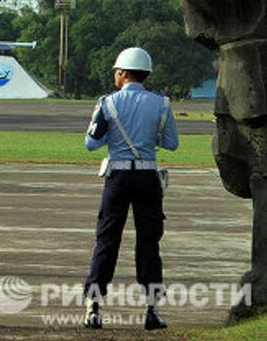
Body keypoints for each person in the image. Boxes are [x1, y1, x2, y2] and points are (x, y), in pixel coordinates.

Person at [82, 47, 178, 331]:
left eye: (116, 71)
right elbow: (171, 143)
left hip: (118, 178)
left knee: (107, 241)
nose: (115, 75)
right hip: (148, 178)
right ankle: (151, 309)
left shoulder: (108, 103)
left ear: (123, 73)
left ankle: (93, 308)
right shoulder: (161, 104)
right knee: (149, 244)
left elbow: (91, 143)